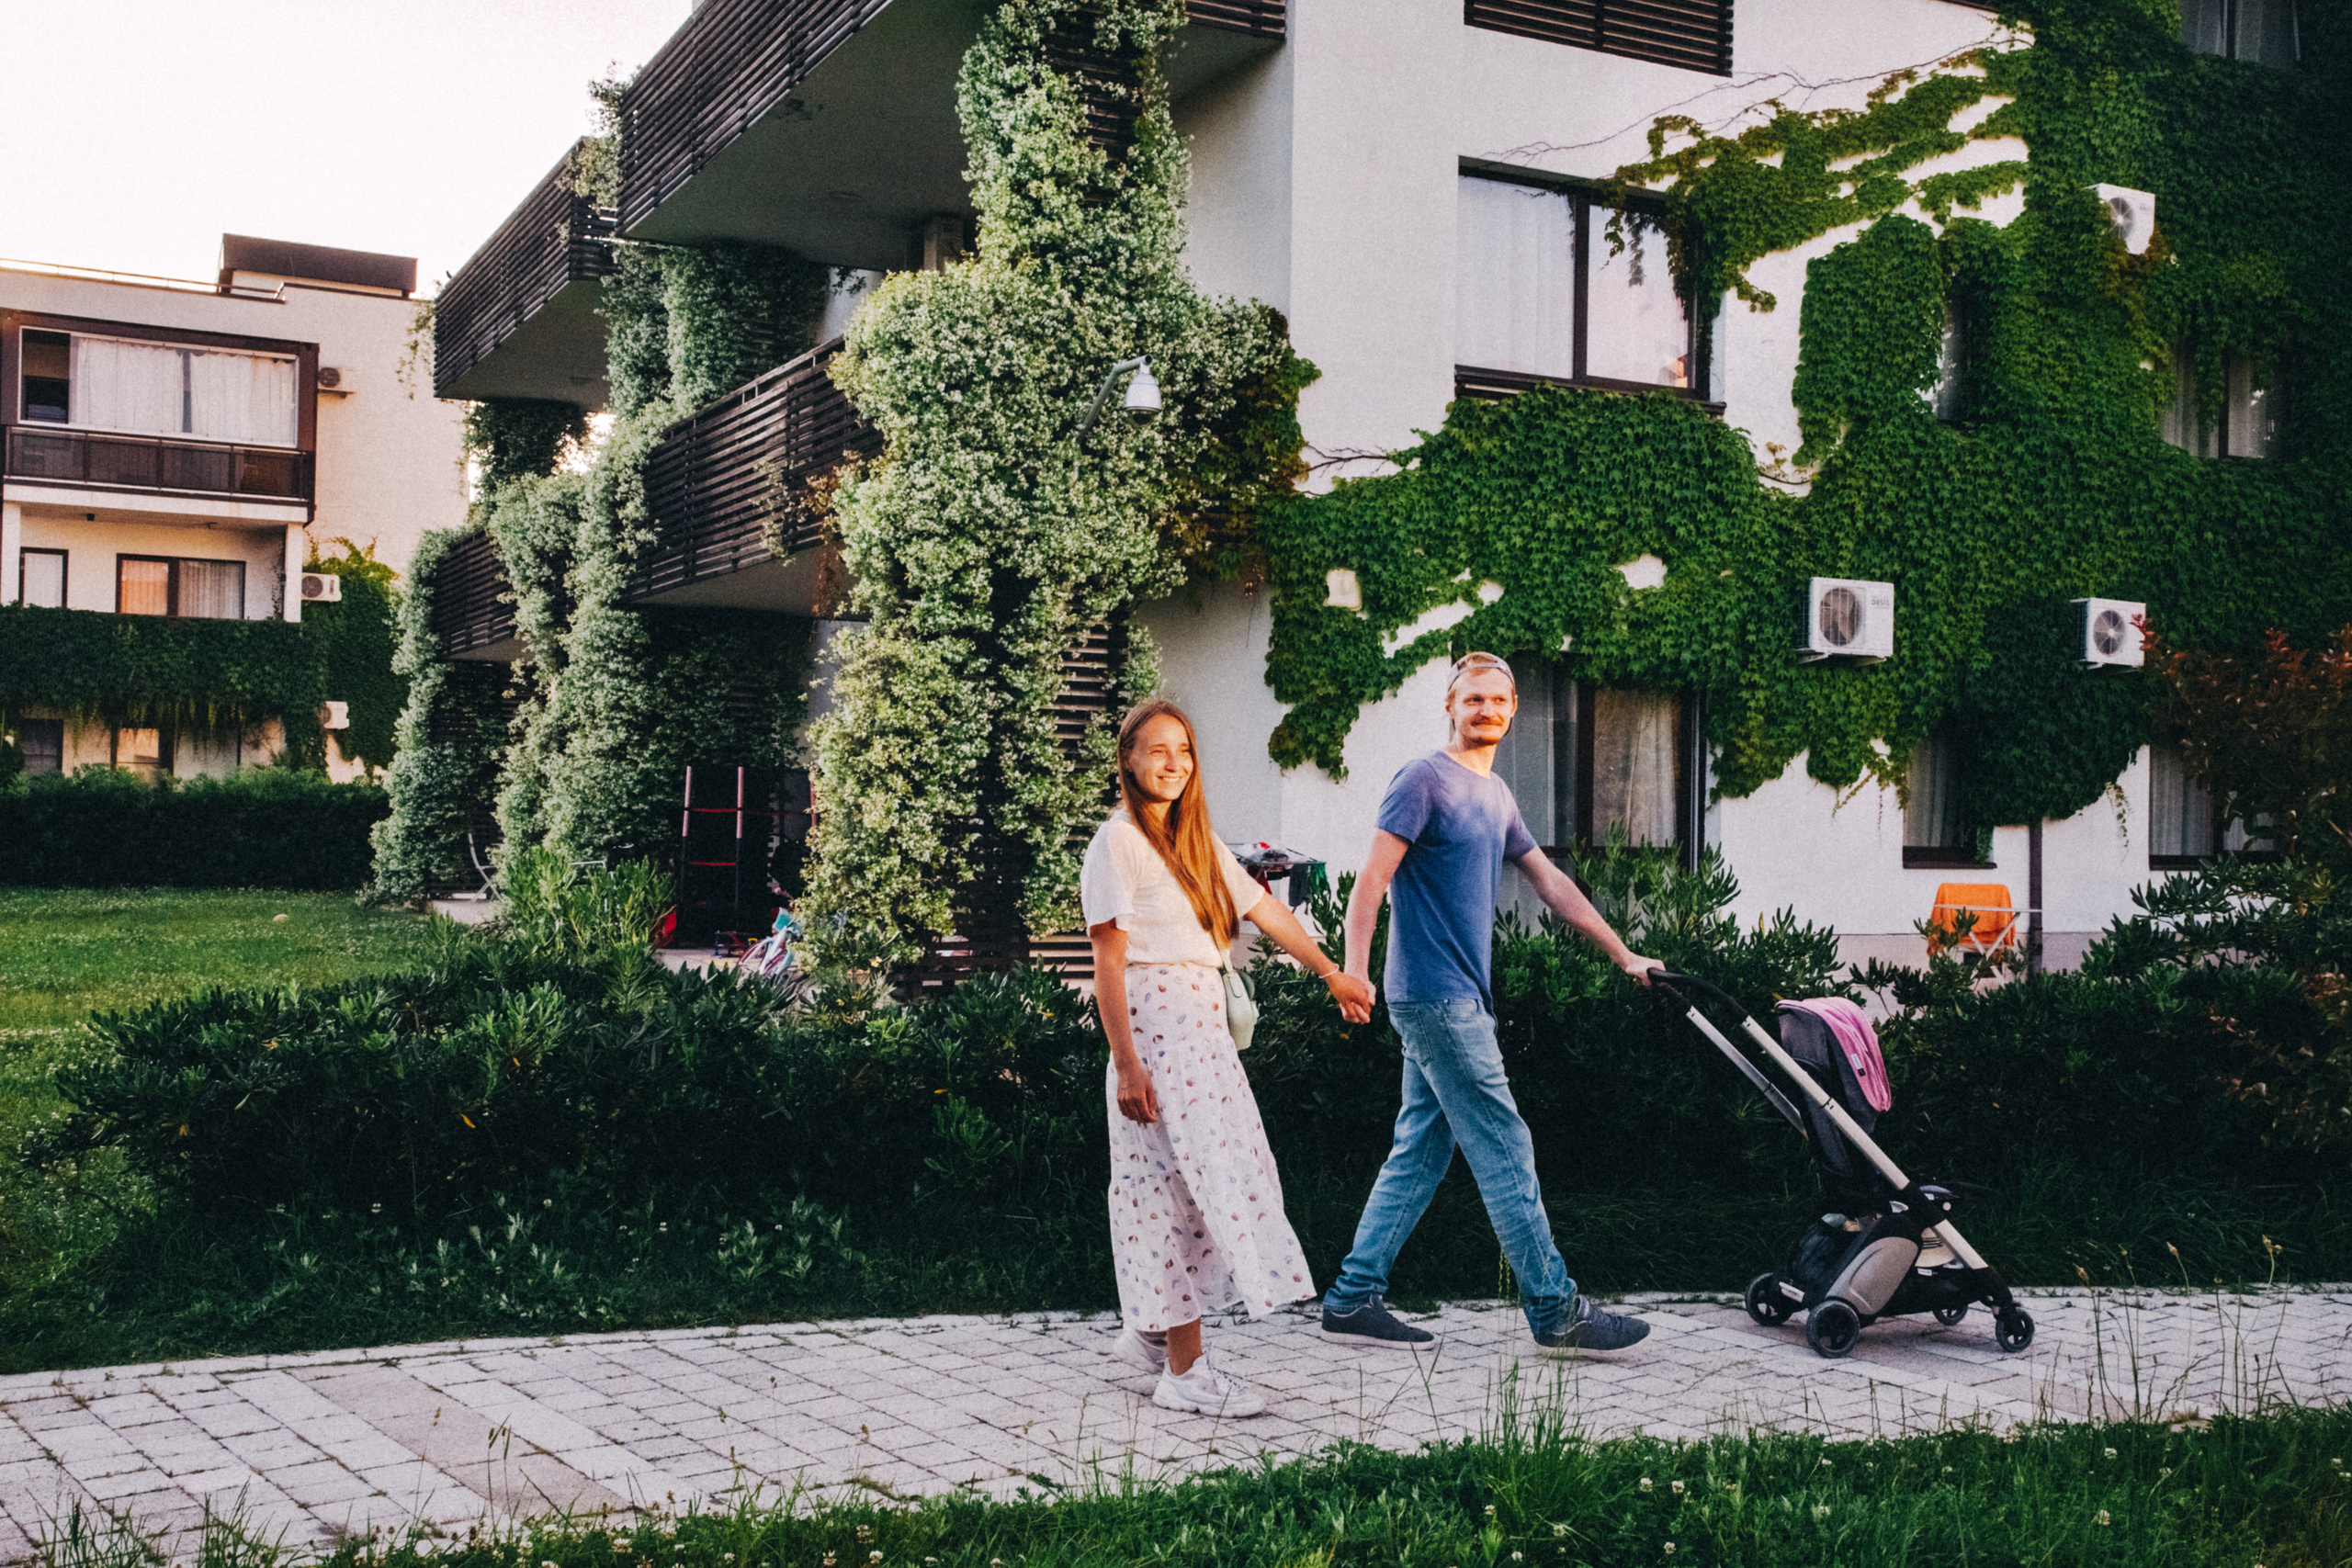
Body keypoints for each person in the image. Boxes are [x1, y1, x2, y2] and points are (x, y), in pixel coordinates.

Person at [1320, 652, 1661, 1354]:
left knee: (1419, 1151)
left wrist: (1623, 952)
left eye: (1500, 700)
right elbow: (1370, 883)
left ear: (1512, 709)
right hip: (1435, 997)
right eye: (1474, 698)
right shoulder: (1422, 780)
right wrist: (1354, 972)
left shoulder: (1496, 795)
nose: (1488, 710)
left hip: (1459, 999)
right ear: (1451, 705)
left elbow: (1552, 885)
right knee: (1507, 1144)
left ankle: (1353, 1297)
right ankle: (1555, 1307)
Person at [1084, 698, 1377, 1416]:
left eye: (1183, 748)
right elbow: (1108, 961)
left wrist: (1331, 971)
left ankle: (1154, 1334)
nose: (1173, 761)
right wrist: (1126, 1063)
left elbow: (1265, 910)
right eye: (1156, 749)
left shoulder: (1193, 841)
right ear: (1127, 760)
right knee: (1173, 1191)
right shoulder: (1117, 842)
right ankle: (1185, 1371)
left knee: (1200, 1185)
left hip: (1202, 1040)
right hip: (1157, 1038)